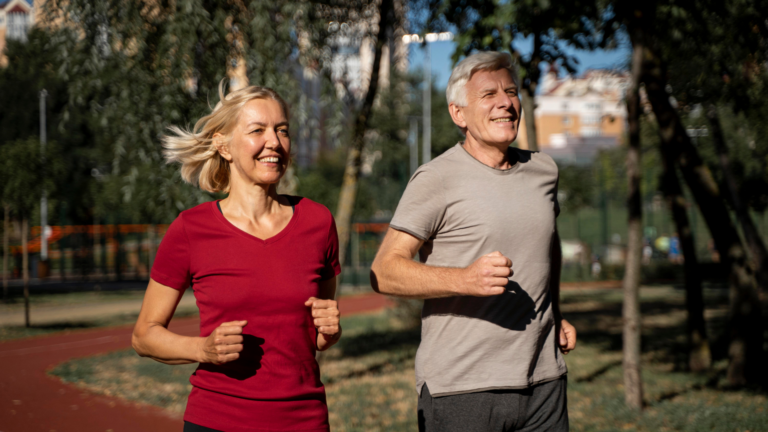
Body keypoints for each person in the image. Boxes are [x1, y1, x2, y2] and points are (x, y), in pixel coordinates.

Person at [370, 51, 576, 431]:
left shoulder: (544, 170)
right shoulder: (436, 178)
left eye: (510, 92)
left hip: (544, 380)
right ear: (458, 114)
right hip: (462, 388)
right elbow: (384, 271)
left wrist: (557, 312)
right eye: (488, 94)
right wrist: (463, 280)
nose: (505, 103)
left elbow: (549, 245)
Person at [132, 83, 342, 432]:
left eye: (282, 130)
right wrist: (203, 350)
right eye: (257, 130)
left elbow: (314, 338)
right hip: (217, 420)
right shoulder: (190, 229)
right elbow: (144, 335)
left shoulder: (318, 222)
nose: (274, 141)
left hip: (303, 421)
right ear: (223, 145)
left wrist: (330, 333)